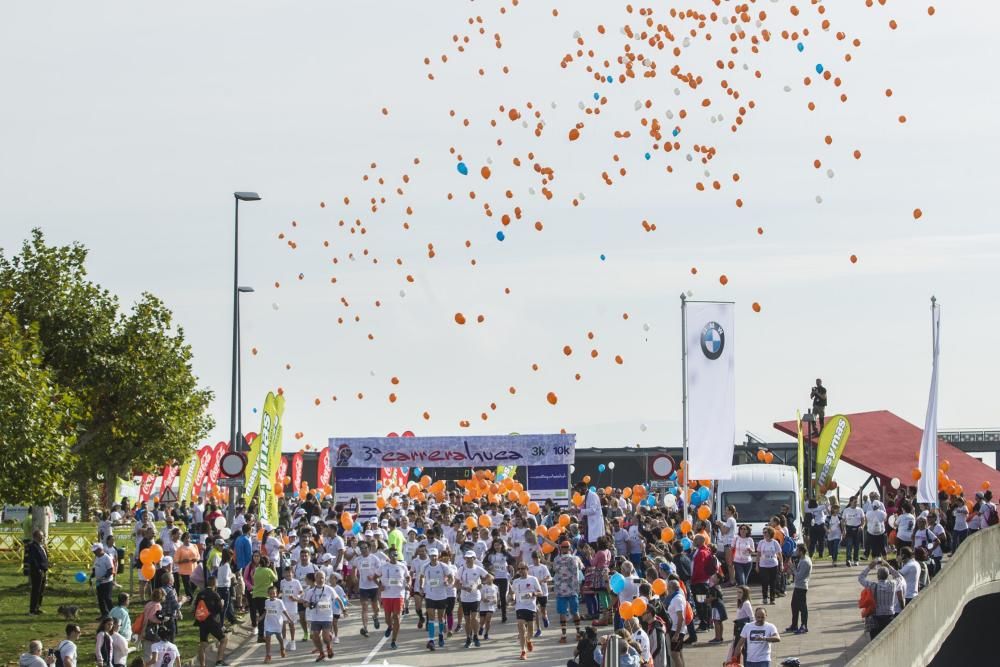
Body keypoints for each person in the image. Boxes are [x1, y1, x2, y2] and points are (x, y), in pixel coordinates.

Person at [857, 558, 905, 639]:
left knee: (875, 639)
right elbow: (900, 577)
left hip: (876, 617)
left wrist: (870, 566)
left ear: (877, 576)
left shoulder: (873, 586)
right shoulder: (893, 584)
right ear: (888, 575)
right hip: (890, 616)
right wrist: (888, 566)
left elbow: (861, 578)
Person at [374, 546, 410, 649]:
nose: (394, 556)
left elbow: (408, 577)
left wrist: (408, 583)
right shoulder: (384, 566)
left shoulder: (402, 566)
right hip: (386, 595)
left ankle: (394, 641)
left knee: (397, 617)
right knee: (387, 618)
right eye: (392, 554)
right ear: (389, 555)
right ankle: (390, 626)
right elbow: (375, 577)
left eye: (396, 554)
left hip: (399, 595)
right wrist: (379, 585)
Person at [551, 539, 584, 643]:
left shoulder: (557, 559)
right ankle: (578, 633)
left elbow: (554, 569)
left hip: (561, 589)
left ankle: (564, 635)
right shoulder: (575, 558)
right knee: (575, 611)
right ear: (570, 548)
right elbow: (581, 568)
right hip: (572, 589)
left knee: (563, 612)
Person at [509, 562, 542, 661]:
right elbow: (513, 593)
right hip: (520, 607)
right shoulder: (516, 581)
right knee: (521, 627)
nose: (521, 571)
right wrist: (512, 598)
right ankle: (523, 651)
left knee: (530, 631)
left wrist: (533, 593)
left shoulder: (533, 579)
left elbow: (541, 592)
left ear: (527, 569)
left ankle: (528, 640)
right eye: (519, 569)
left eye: (523, 568)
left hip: (531, 607)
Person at [192, 576, 228, 667]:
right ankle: (219, 661)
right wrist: (222, 604)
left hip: (202, 622)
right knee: (223, 639)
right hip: (212, 621)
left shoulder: (200, 594)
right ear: (214, 584)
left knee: (203, 644)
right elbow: (219, 609)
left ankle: (202, 665)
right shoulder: (215, 594)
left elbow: (196, 607)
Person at [302, 569, 337, 661]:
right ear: (315, 578)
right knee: (315, 636)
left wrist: (344, 609)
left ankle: (329, 647)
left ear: (325, 579)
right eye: (319, 577)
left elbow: (337, 599)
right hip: (315, 617)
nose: (321, 579)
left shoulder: (329, 589)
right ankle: (322, 653)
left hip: (327, 617)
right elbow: (305, 603)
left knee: (325, 637)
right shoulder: (310, 591)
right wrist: (309, 604)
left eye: (323, 578)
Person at [421, 547, 452, 651]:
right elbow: (421, 577)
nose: (433, 558)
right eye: (432, 556)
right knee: (431, 618)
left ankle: (440, 635)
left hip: (441, 595)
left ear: (437, 556)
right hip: (430, 595)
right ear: (429, 556)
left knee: (441, 618)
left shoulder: (443, 566)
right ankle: (431, 640)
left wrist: (447, 581)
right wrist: (422, 586)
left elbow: (450, 576)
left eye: (435, 556)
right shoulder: (425, 566)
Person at [456, 550, 488, 648]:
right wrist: (464, 588)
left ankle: (475, 636)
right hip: (465, 598)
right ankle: (468, 638)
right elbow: (455, 583)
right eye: (467, 558)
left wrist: (481, 584)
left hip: (475, 597)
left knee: (474, 618)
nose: (468, 560)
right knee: (467, 620)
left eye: (470, 558)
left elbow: (490, 577)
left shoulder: (478, 569)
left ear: (474, 559)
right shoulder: (461, 569)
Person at [351, 541, 382, 637]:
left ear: (369, 548)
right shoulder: (358, 559)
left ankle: (375, 616)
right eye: (361, 548)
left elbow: (380, 570)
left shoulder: (374, 558)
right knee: (364, 607)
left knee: (375, 607)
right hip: (363, 587)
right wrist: (354, 576)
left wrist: (373, 576)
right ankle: (365, 628)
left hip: (374, 586)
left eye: (365, 548)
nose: (363, 550)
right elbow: (354, 568)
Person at [262, 586, 293, 663]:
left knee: (279, 637)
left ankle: (282, 648)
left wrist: (289, 619)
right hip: (268, 623)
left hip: (277, 623)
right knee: (267, 638)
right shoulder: (266, 601)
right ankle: (268, 655)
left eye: (274, 593)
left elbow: (284, 611)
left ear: (276, 593)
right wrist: (260, 617)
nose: (272, 595)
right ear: (268, 594)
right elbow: (266, 611)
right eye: (270, 593)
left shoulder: (279, 601)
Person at [252, 556, 279, 643]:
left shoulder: (257, 569)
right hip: (265, 595)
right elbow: (276, 579)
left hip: (256, 595)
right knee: (263, 616)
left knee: (261, 614)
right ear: (267, 563)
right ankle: (261, 635)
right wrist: (274, 568)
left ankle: (262, 634)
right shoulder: (268, 570)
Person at [786, 544, 811, 634]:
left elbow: (799, 576)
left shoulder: (805, 562)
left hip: (801, 587)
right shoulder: (803, 559)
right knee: (794, 606)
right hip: (798, 586)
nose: (796, 552)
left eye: (797, 550)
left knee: (802, 607)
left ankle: (804, 626)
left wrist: (792, 567)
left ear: (801, 551)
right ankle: (794, 625)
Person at [25, 530, 49, 615]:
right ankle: (32, 610)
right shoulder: (32, 546)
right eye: (40, 536)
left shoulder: (41, 546)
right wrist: (38, 569)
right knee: (36, 590)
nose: (42, 537)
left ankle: (38, 607)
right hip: (37, 571)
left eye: (43, 536)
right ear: (35, 537)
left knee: (41, 590)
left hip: (43, 570)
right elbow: (33, 559)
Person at [665, 579, 688, 667]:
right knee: (679, 653)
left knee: (675, 654)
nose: (667, 590)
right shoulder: (677, 597)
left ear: (671, 588)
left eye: (668, 588)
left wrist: (677, 634)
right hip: (676, 629)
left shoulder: (677, 599)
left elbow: (681, 617)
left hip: (676, 630)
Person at [279, 566, 303, 651]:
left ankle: (293, 641)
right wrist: (278, 596)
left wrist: (296, 597)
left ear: (293, 573)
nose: (288, 574)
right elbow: (281, 592)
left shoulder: (296, 582)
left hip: (293, 606)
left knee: (291, 625)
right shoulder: (282, 582)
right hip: (284, 607)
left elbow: (301, 591)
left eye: (290, 572)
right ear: (284, 574)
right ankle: (285, 640)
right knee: (283, 624)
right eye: (287, 572)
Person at [756, 527, 780, 606]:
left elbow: (779, 554)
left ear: (770, 533)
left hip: (773, 564)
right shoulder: (761, 542)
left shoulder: (775, 542)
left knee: (773, 582)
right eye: (763, 532)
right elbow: (758, 554)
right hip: (763, 564)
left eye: (766, 532)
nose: (764, 534)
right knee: (764, 581)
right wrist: (757, 565)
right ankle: (765, 598)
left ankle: (772, 599)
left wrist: (782, 564)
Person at [92, 542, 116, 618]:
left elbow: (111, 570)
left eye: (95, 551)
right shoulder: (96, 557)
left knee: (107, 598)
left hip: (107, 582)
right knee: (100, 599)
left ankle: (113, 615)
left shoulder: (107, 558)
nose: (94, 552)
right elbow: (95, 568)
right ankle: (104, 614)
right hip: (99, 582)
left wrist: (103, 578)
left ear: (100, 549)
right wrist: (91, 577)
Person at [842, 496, 865, 566]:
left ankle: (856, 560)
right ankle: (848, 560)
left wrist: (862, 526)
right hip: (849, 529)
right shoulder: (846, 510)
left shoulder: (860, 510)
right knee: (849, 545)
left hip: (857, 529)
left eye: (857, 502)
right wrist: (844, 530)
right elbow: (843, 521)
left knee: (857, 546)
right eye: (855, 502)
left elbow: (863, 520)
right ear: (850, 502)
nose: (856, 503)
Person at [478, 573, 498, 640]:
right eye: (487, 578)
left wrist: (496, 600)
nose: (487, 579)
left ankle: (486, 634)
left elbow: (496, 596)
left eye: (489, 577)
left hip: (491, 605)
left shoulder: (495, 587)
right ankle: (481, 627)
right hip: (483, 606)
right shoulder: (483, 587)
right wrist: (483, 599)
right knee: (482, 621)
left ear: (492, 578)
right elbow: (480, 596)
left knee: (488, 620)